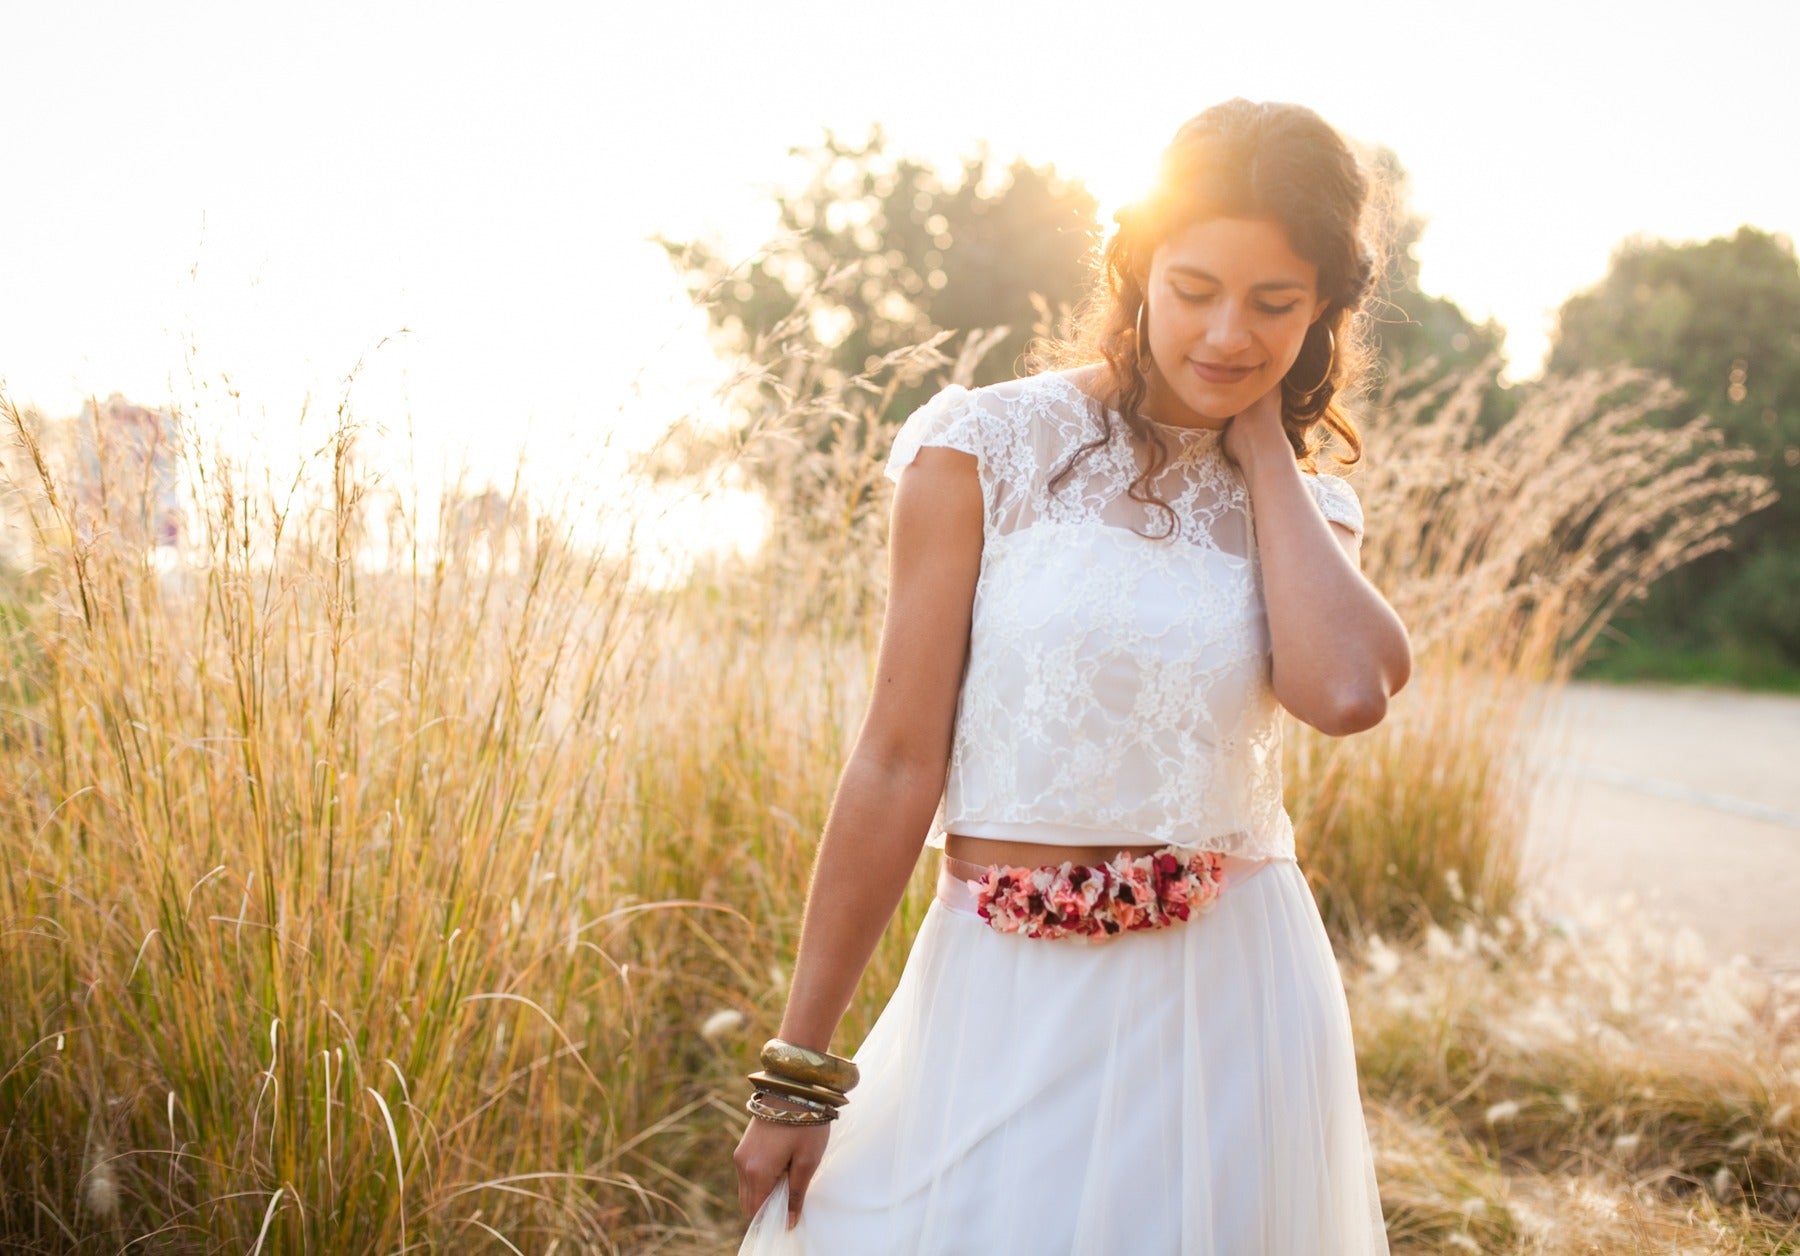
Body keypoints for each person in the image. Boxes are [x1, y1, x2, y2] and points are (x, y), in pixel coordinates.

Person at [734, 97, 1410, 1255]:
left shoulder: (1308, 507)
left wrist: (1260, 451)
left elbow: (1346, 691)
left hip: (1222, 1001)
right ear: (1139, 265)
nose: (1229, 333)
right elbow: (897, 762)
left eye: (1275, 303)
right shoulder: (982, 446)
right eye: (1196, 289)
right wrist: (800, 1070)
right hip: (999, 994)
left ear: (1326, 308)